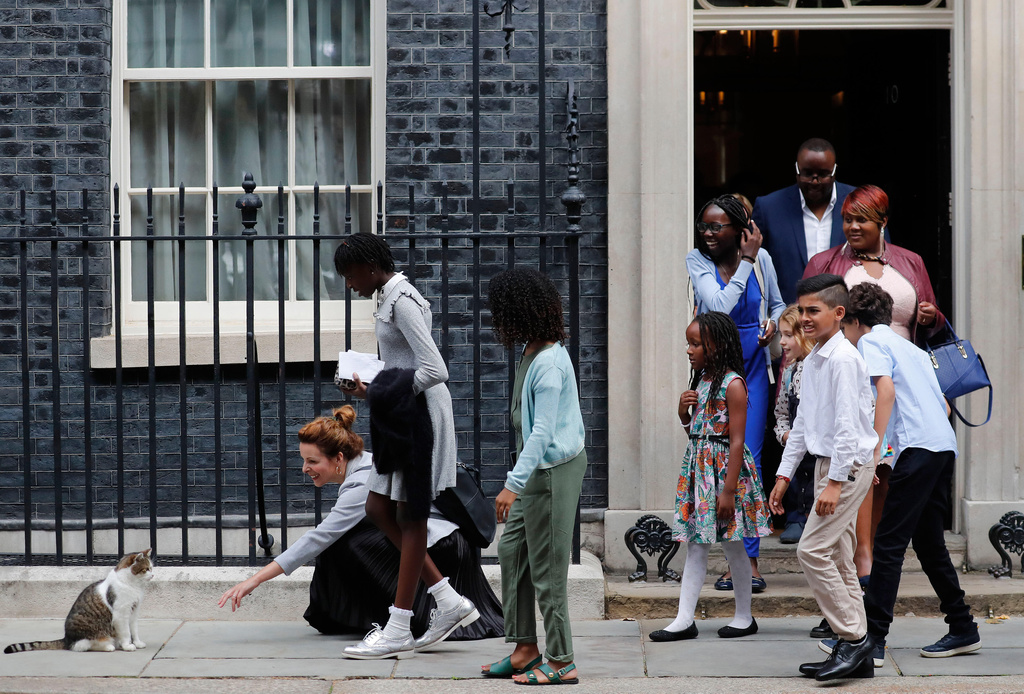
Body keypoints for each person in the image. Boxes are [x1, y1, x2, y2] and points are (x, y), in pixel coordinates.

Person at [216, 406, 503, 641]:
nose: (305, 469)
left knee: (338, 543)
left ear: (338, 458)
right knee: (346, 539)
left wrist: (254, 580)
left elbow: (317, 538)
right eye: (303, 461)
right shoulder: (366, 465)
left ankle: (399, 618)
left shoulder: (362, 483)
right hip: (437, 545)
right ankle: (381, 616)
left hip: (439, 548)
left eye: (312, 461)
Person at [333, 232, 479, 659]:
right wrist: (370, 388)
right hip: (399, 417)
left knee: (410, 517)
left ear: (372, 266)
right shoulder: (387, 295)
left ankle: (398, 627)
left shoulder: (403, 299)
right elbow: (404, 365)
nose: (349, 284)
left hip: (420, 420)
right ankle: (449, 601)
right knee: (378, 508)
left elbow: (435, 368)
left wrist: (383, 390)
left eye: (350, 274)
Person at [803, 184, 947, 583]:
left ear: (883, 222)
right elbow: (807, 322)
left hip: (905, 382)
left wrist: (931, 317)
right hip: (855, 378)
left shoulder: (910, 262)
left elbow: (934, 324)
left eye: (861, 219)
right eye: (847, 219)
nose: (851, 227)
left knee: (887, 472)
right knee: (860, 467)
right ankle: (860, 556)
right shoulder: (825, 263)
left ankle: (877, 553)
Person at [831, 283, 980, 662]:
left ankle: (872, 640)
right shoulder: (911, 348)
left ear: (854, 321)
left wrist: (875, 450)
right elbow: (944, 408)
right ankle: (962, 626)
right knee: (929, 544)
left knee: (888, 544)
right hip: (941, 446)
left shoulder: (869, 344)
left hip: (918, 449)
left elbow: (884, 392)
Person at [768, 274, 878, 681]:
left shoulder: (844, 360)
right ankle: (859, 652)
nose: (806, 318)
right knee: (835, 555)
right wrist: (782, 476)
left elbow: (850, 427)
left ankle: (853, 638)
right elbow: (801, 425)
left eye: (814, 311)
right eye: (803, 310)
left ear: (838, 312)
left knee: (811, 550)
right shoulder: (812, 359)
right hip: (825, 465)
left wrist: (834, 482)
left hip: (845, 468)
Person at [482, 268, 587, 686]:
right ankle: (525, 647)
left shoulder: (548, 364)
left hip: (551, 472)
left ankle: (562, 659)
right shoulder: (532, 348)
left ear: (519, 312)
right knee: (512, 552)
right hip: (537, 471)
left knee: (547, 568)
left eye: (501, 312)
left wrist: (512, 484)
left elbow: (542, 433)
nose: (497, 320)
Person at [649, 311, 772, 644]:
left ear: (716, 346)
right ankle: (683, 619)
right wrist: (682, 415)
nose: (689, 350)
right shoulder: (701, 381)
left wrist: (728, 491)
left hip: (725, 476)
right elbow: (697, 434)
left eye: (695, 343)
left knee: (734, 547)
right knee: (696, 546)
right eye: (688, 343)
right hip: (701, 473)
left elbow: (736, 440)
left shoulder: (733, 384)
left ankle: (744, 617)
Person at [686, 194, 785, 593]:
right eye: (704, 226)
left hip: (753, 368)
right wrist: (746, 261)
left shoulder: (764, 261)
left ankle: (750, 561)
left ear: (739, 230)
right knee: (715, 453)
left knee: (749, 457)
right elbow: (720, 307)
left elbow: (777, 304)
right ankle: (728, 556)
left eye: (716, 227)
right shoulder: (698, 262)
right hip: (716, 369)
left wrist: (773, 325)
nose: (708, 234)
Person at [752, 138, 857, 304]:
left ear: (834, 171)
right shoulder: (769, 208)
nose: (815, 182)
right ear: (796, 169)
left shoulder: (858, 202)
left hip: (848, 315)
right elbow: (754, 267)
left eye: (823, 174)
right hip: (788, 317)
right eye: (807, 174)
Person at [772, 304, 816, 545]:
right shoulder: (789, 372)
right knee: (796, 480)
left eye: (789, 335)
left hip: (818, 453)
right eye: (781, 335)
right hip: (796, 451)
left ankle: (810, 519)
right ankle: (795, 518)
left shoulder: (820, 368)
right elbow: (780, 415)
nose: (782, 342)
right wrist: (785, 435)